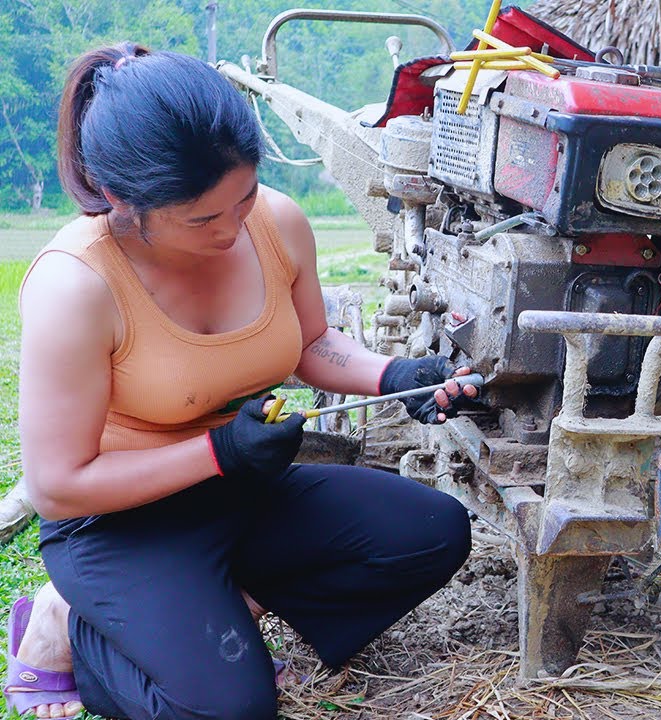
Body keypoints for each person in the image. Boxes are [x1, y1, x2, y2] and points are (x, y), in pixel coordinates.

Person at [6, 43, 479, 719]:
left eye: (245, 196)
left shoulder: (276, 222)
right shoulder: (75, 285)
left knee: (432, 530)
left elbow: (310, 342)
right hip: (115, 522)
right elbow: (58, 486)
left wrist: (395, 374)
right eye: (202, 218)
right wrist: (220, 450)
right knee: (233, 711)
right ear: (120, 200)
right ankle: (73, 627)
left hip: (235, 488)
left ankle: (213, 616)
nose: (234, 229)